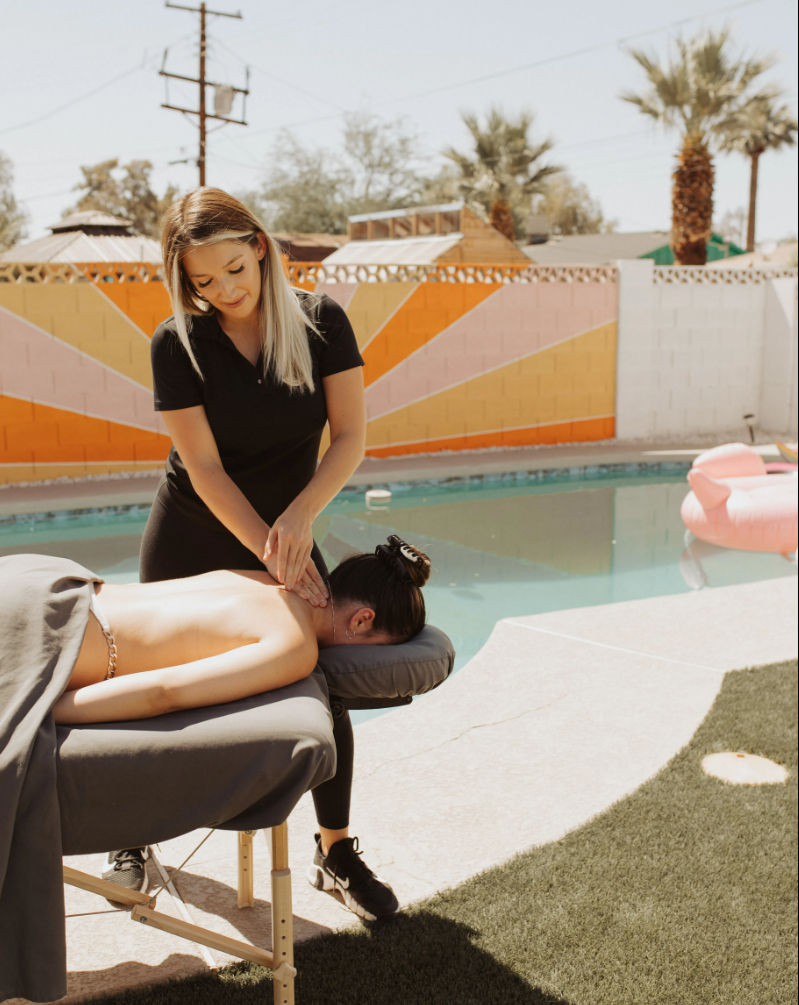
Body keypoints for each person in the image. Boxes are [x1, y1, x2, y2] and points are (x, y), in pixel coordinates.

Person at [101, 185, 392, 919]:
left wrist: (294, 525)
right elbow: (202, 466)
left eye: (234, 268)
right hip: (194, 531)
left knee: (321, 685)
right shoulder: (176, 342)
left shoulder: (323, 322)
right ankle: (131, 835)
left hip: (289, 526)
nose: (223, 291)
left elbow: (351, 439)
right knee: (148, 685)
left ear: (259, 246)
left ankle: (335, 849)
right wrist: (267, 547)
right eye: (202, 281)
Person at [52, 537, 431, 727]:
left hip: (58, 586)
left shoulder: (270, 579)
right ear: (362, 620)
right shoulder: (296, 647)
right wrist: (44, 712)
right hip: (52, 644)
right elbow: (163, 693)